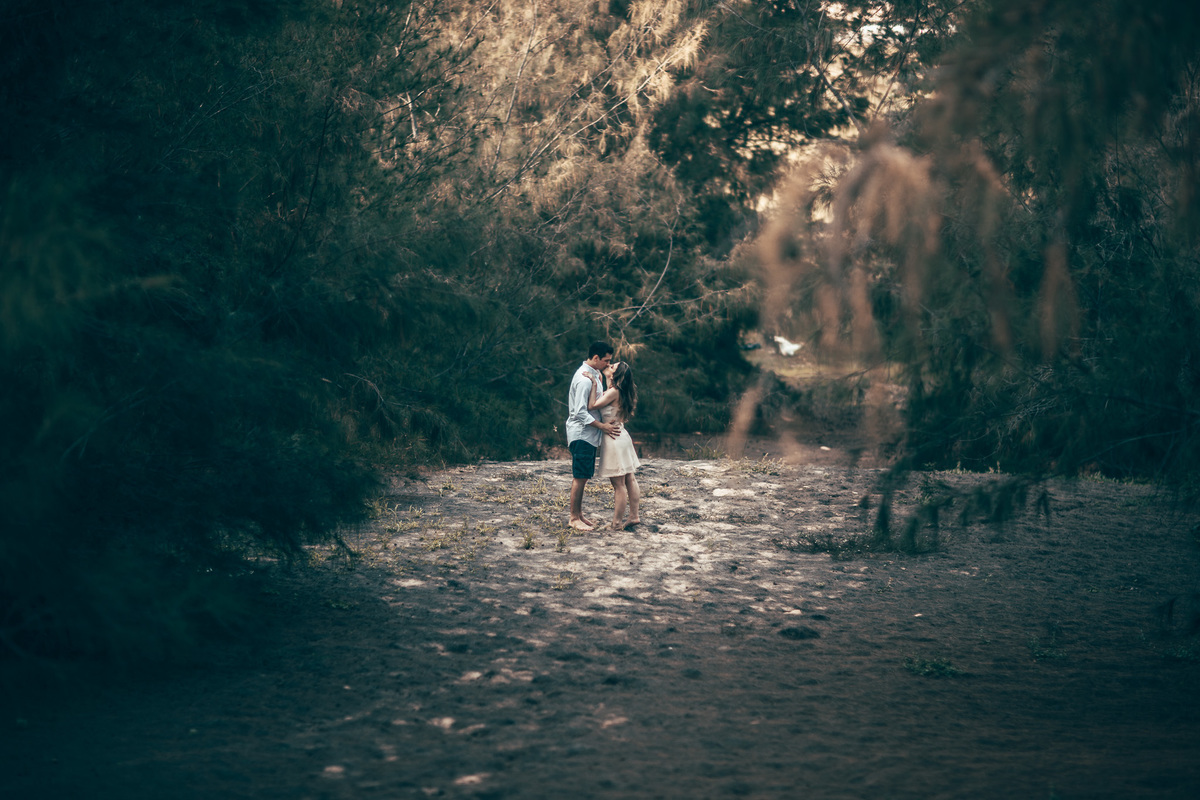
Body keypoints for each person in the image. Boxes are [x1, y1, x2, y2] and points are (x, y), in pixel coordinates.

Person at [565, 342, 622, 531]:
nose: (608, 364)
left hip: (588, 435)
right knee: (580, 476)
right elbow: (579, 412)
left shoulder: (594, 375)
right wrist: (603, 427)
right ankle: (573, 518)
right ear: (595, 358)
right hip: (582, 434)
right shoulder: (584, 379)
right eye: (606, 360)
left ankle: (579, 514)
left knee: (584, 475)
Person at [587, 360, 642, 530]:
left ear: (616, 375)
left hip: (614, 438)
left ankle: (617, 523)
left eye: (612, 367)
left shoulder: (613, 392)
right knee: (629, 478)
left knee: (618, 485)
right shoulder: (620, 391)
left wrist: (594, 383)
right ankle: (634, 516)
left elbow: (591, 406)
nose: (608, 367)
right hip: (621, 435)